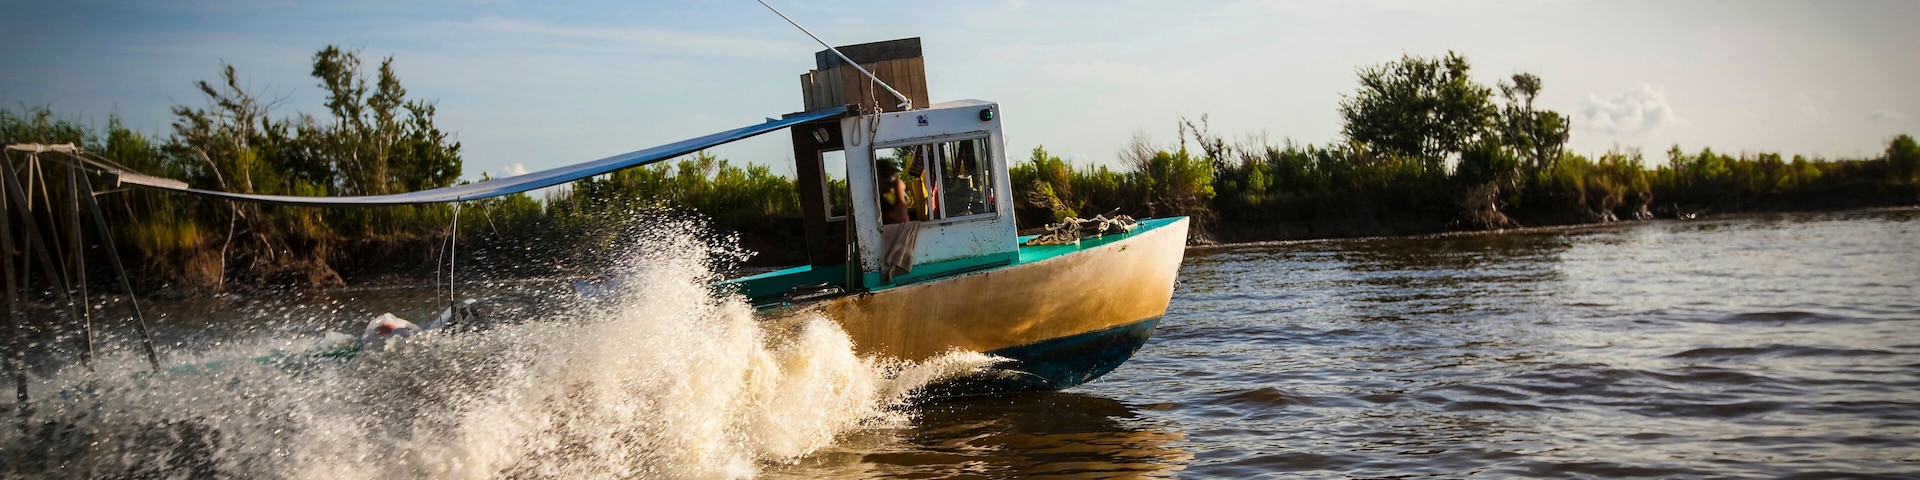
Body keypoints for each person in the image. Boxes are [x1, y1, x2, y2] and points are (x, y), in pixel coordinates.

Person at [877, 159, 911, 225]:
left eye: (892, 174)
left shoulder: (884, 199)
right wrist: (899, 190)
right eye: (886, 175)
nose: (891, 179)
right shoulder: (872, 201)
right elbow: (899, 216)